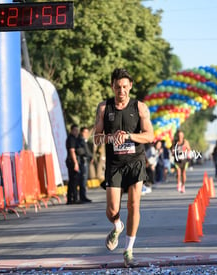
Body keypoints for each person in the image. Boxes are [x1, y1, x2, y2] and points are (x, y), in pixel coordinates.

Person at [93, 68, 154, 267]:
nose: (122, 91)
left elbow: (149, 136)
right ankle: (117, 226)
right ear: (112, 87)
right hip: (115, 164)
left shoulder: (140, 107)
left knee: (134, 205)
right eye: (118, 87)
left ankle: (129, 250)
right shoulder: (104, 108)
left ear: (130, 87)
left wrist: (128, 136)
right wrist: (111, 137)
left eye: (125, 87)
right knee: (112, 210)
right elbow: (96, 138)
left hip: (135, 161)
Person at [65, 124, 80, 204]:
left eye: (77, 130)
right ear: (71, 130)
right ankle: (74, 198)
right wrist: (76, 163)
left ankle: (70, 199)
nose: (76, 132)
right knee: (74, 181)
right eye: (75, 130)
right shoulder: (71, 139)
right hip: (72, 161)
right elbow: (72, 151)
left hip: (72, 161)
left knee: (72, 181)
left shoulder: (74, 138)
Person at [78, 127, 93, 202]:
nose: (86, 134)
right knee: (83, 180)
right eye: (85, 132)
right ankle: (82, 197)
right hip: (82, 161)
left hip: (85, 161)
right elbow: (83, 151)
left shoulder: (84, 140)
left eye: (87, 132)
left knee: (84, 180)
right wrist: (90, 156)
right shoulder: (80, 140)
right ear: (81, 132)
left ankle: (83, 196)